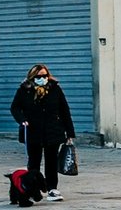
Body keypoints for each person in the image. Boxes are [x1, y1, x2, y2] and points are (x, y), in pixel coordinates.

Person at [10, 63, 75, 203]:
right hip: (33, 131)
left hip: (53, 131)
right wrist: (22, 120)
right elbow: (15, 108)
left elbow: (64, 111)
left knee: (51, 161)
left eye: (45, 75)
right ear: (32, 77)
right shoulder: (24, 90)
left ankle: (52, 189)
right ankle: (31, 189)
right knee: (34, 162)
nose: (42, 78)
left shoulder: (55, 89)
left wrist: (70, 132)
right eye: (39, 76)